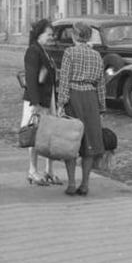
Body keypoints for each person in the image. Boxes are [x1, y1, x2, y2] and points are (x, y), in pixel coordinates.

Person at [57, 21, 106, 197]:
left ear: (74, 36)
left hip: (74, 96)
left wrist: (61, 103)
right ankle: (85, 184)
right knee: (89, 143)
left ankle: (71, 183)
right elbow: (101, 83)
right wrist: (101, 107)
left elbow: (64, 79)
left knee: (71, 142)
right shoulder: (97, 56)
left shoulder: (69, 53)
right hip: (91, 98)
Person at [22, 19, 62, 186]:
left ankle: (49, 170)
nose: (51, 38)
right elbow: (31, 79)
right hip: (37, 100)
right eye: (49, 34)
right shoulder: (33, 51)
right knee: (34, 135)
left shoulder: (44, 51)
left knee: (48, 135)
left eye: (52, 35)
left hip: (48, 98)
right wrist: (35, 104)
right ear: (39, 34)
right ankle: (32, 170)